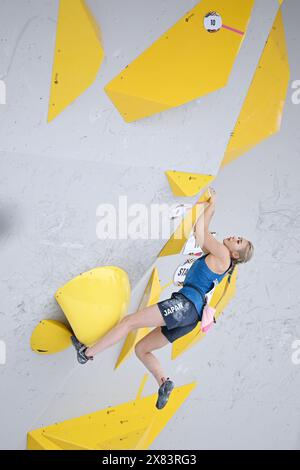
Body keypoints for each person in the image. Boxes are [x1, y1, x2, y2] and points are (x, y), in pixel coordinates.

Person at [71, 188, 254, 410]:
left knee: (129, 322)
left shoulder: (223, 255)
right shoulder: (218, 258)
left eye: (239, 242)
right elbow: (199, 234)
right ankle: (164, 382)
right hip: (190, 318)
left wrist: (212, 205)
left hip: (184, 307)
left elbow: (202, 231)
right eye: (238, 237)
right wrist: (209, 209)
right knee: (141, 349)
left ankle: (86, 353)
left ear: (235, 254)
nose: (235, 237)